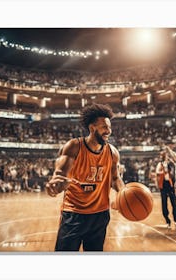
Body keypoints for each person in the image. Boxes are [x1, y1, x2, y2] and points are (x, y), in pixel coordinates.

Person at [46, 103, 125, 251]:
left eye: (109, 127)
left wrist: (124, 194)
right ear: (92, 128)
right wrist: (56, 185)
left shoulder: (113, 153)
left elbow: (115, 179)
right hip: (74, 214)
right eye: (104, 127)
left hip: (100, 215)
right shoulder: (74, 147)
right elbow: (60, 174)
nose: (108, 131)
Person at [155, 150, 176, 228]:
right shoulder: (159, 164)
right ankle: (167, 220)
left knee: (174, 203)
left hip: (170, 185)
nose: (161, 156)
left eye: (163, 155)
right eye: (161, 155)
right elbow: (157, 172)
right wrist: (164, 172)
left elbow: (174, 172)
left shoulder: (171, 163)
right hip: (163, 185)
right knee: (164, 203)